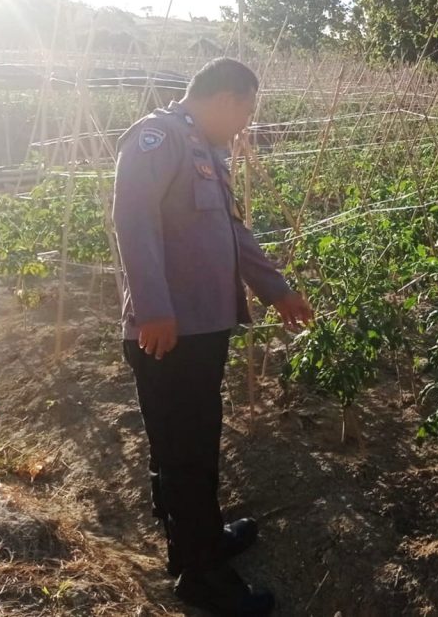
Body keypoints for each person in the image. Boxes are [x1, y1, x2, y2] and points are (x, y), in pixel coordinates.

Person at [113, 58, 313, 616]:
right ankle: (202, 578)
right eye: (246, 110)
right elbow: (132, 221)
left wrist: (275, 289)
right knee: (187, 450)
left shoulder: (204, 150)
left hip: (200, 327)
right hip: (169, 331)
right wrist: (154, 308)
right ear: (226, 98)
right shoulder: (157, 139)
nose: (246, 123)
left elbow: (230, 230)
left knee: (190, 443)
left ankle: (195, 538)